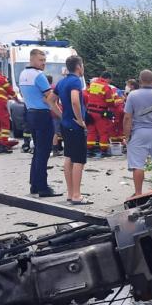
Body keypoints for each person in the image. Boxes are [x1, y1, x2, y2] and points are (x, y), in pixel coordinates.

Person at [18, 49, 61, 198]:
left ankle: (34, 184)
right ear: (32, 59)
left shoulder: (23, 74)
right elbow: (49, 98)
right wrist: (61, 115)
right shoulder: (39, 76)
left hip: (30, 113)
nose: (43, 63)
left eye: (44, 60)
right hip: (42, 115)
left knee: (37, 151)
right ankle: (43, 187)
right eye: (40, 60)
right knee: (43, 153)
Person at [123, 69, 152, 196]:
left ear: (140, 81)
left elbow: (127, 118)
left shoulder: (133, 95)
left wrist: (127, 136)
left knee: (138, 165)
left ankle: (138, 193)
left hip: (139, 133)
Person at [56, 55, 91, 205]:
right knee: (79, 160)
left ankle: (70, 193)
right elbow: (75, 100)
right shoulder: (75, 81)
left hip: (65, 124)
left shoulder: (62, 81)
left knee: (68, 158)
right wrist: (80, 121)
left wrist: (62, 114)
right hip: (75, 126)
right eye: (82, 65)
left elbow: (50, 100)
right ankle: (77, 195)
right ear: (78, 66)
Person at [83, 71, 116, 158]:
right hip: (100, 113)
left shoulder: (92, 84)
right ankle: (104, 151)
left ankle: (89, 151)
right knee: (103, 132)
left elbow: (85, 95)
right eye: (110, 80)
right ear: (108, 78)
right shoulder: (106, 87)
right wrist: (113, 106)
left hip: (90, 112)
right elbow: (110, 102)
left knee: (91, 132)